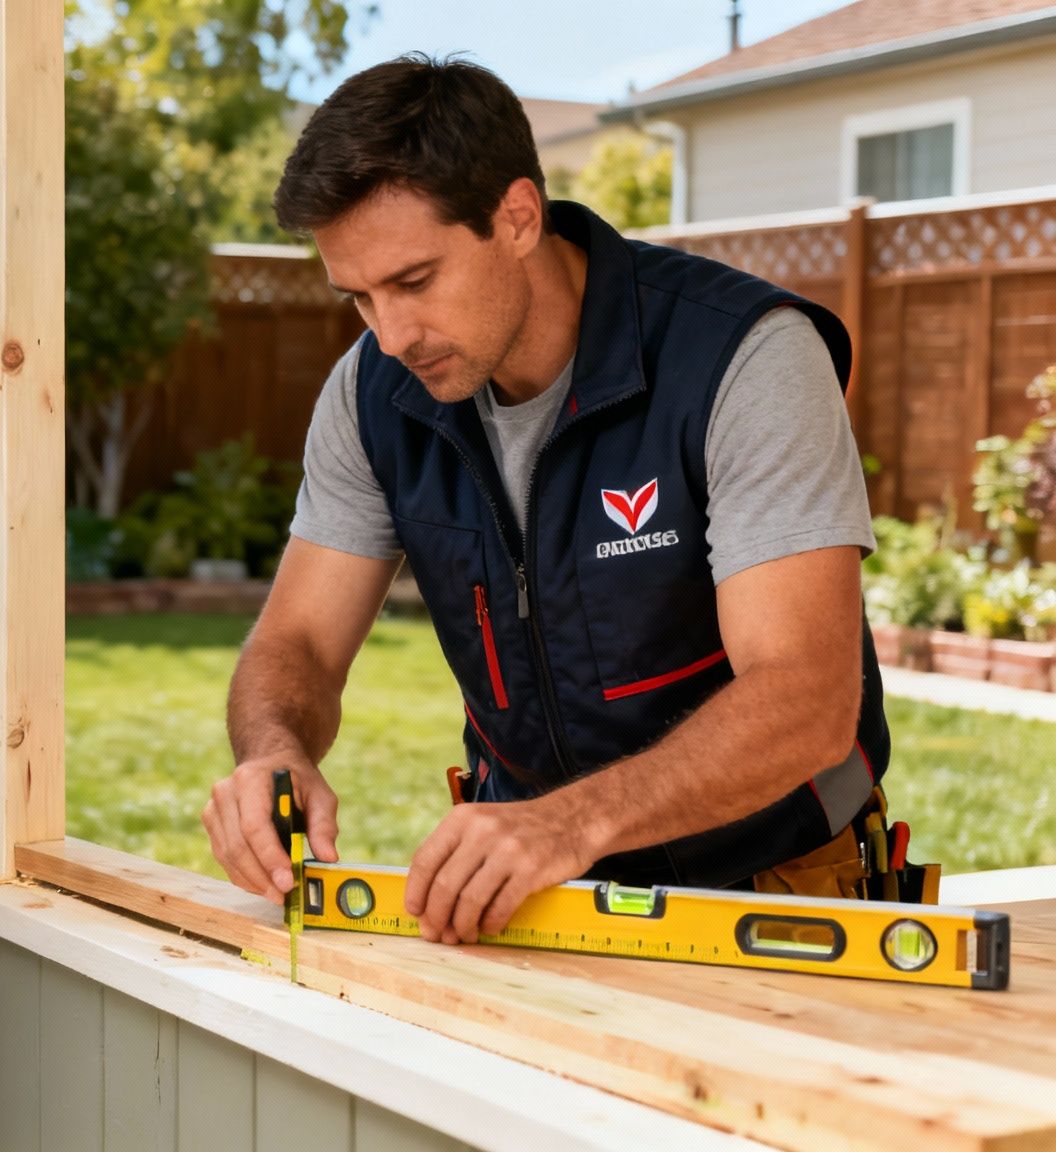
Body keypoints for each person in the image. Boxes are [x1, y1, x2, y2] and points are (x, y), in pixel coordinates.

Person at [201, 54, 892, 949]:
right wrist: (273, 751)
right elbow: (295, 641)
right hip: (529, 904)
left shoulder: (743, 359)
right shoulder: (370, 392)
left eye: (414, 282)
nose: (391, 334)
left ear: (518, 217)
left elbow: (805, 698)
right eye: (359, 298)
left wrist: (569, 825)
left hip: (776, 895)